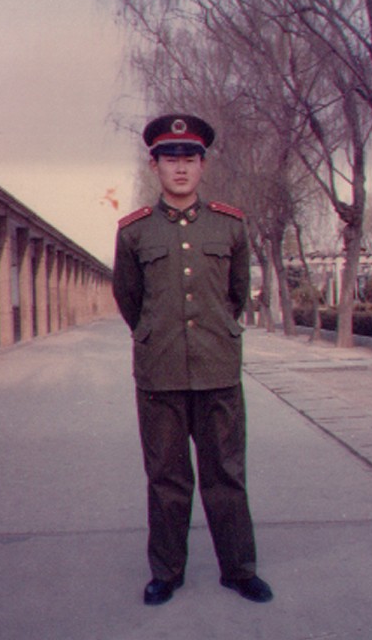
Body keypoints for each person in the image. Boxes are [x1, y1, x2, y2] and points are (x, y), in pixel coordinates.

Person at [113, 113, 273, 606]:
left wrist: (214, 332)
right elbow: (128, 298)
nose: (180, 167)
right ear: (155, 165)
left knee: (226, 474)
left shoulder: (230, 225)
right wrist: (154, 334)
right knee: (167, 477)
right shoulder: (134, 232)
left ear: (203, 165)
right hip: (159, 372)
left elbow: (236, 295)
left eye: (189, 158)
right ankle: (166, 572)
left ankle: (239, 570)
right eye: (169, 158)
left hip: (217, 368)